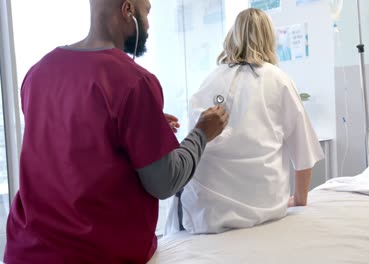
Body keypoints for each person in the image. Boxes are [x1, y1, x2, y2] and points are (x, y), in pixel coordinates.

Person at [4, 0, 228, 263]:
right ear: (127, 10)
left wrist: (143, 130)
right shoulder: (133, 81)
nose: (148, 24)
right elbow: (165, 181)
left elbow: (70, 141)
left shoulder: (37, 73)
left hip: (25, 252)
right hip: (94, 255)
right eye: (146, 13)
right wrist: (202, 132)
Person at [166, 8, 324, 235]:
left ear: (232, 36)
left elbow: (193, 142)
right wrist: (299, 200)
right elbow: (303, 153)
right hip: (265, 208)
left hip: (208, 212)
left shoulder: (211, 80)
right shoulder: (279, 80)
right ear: (269, 38)